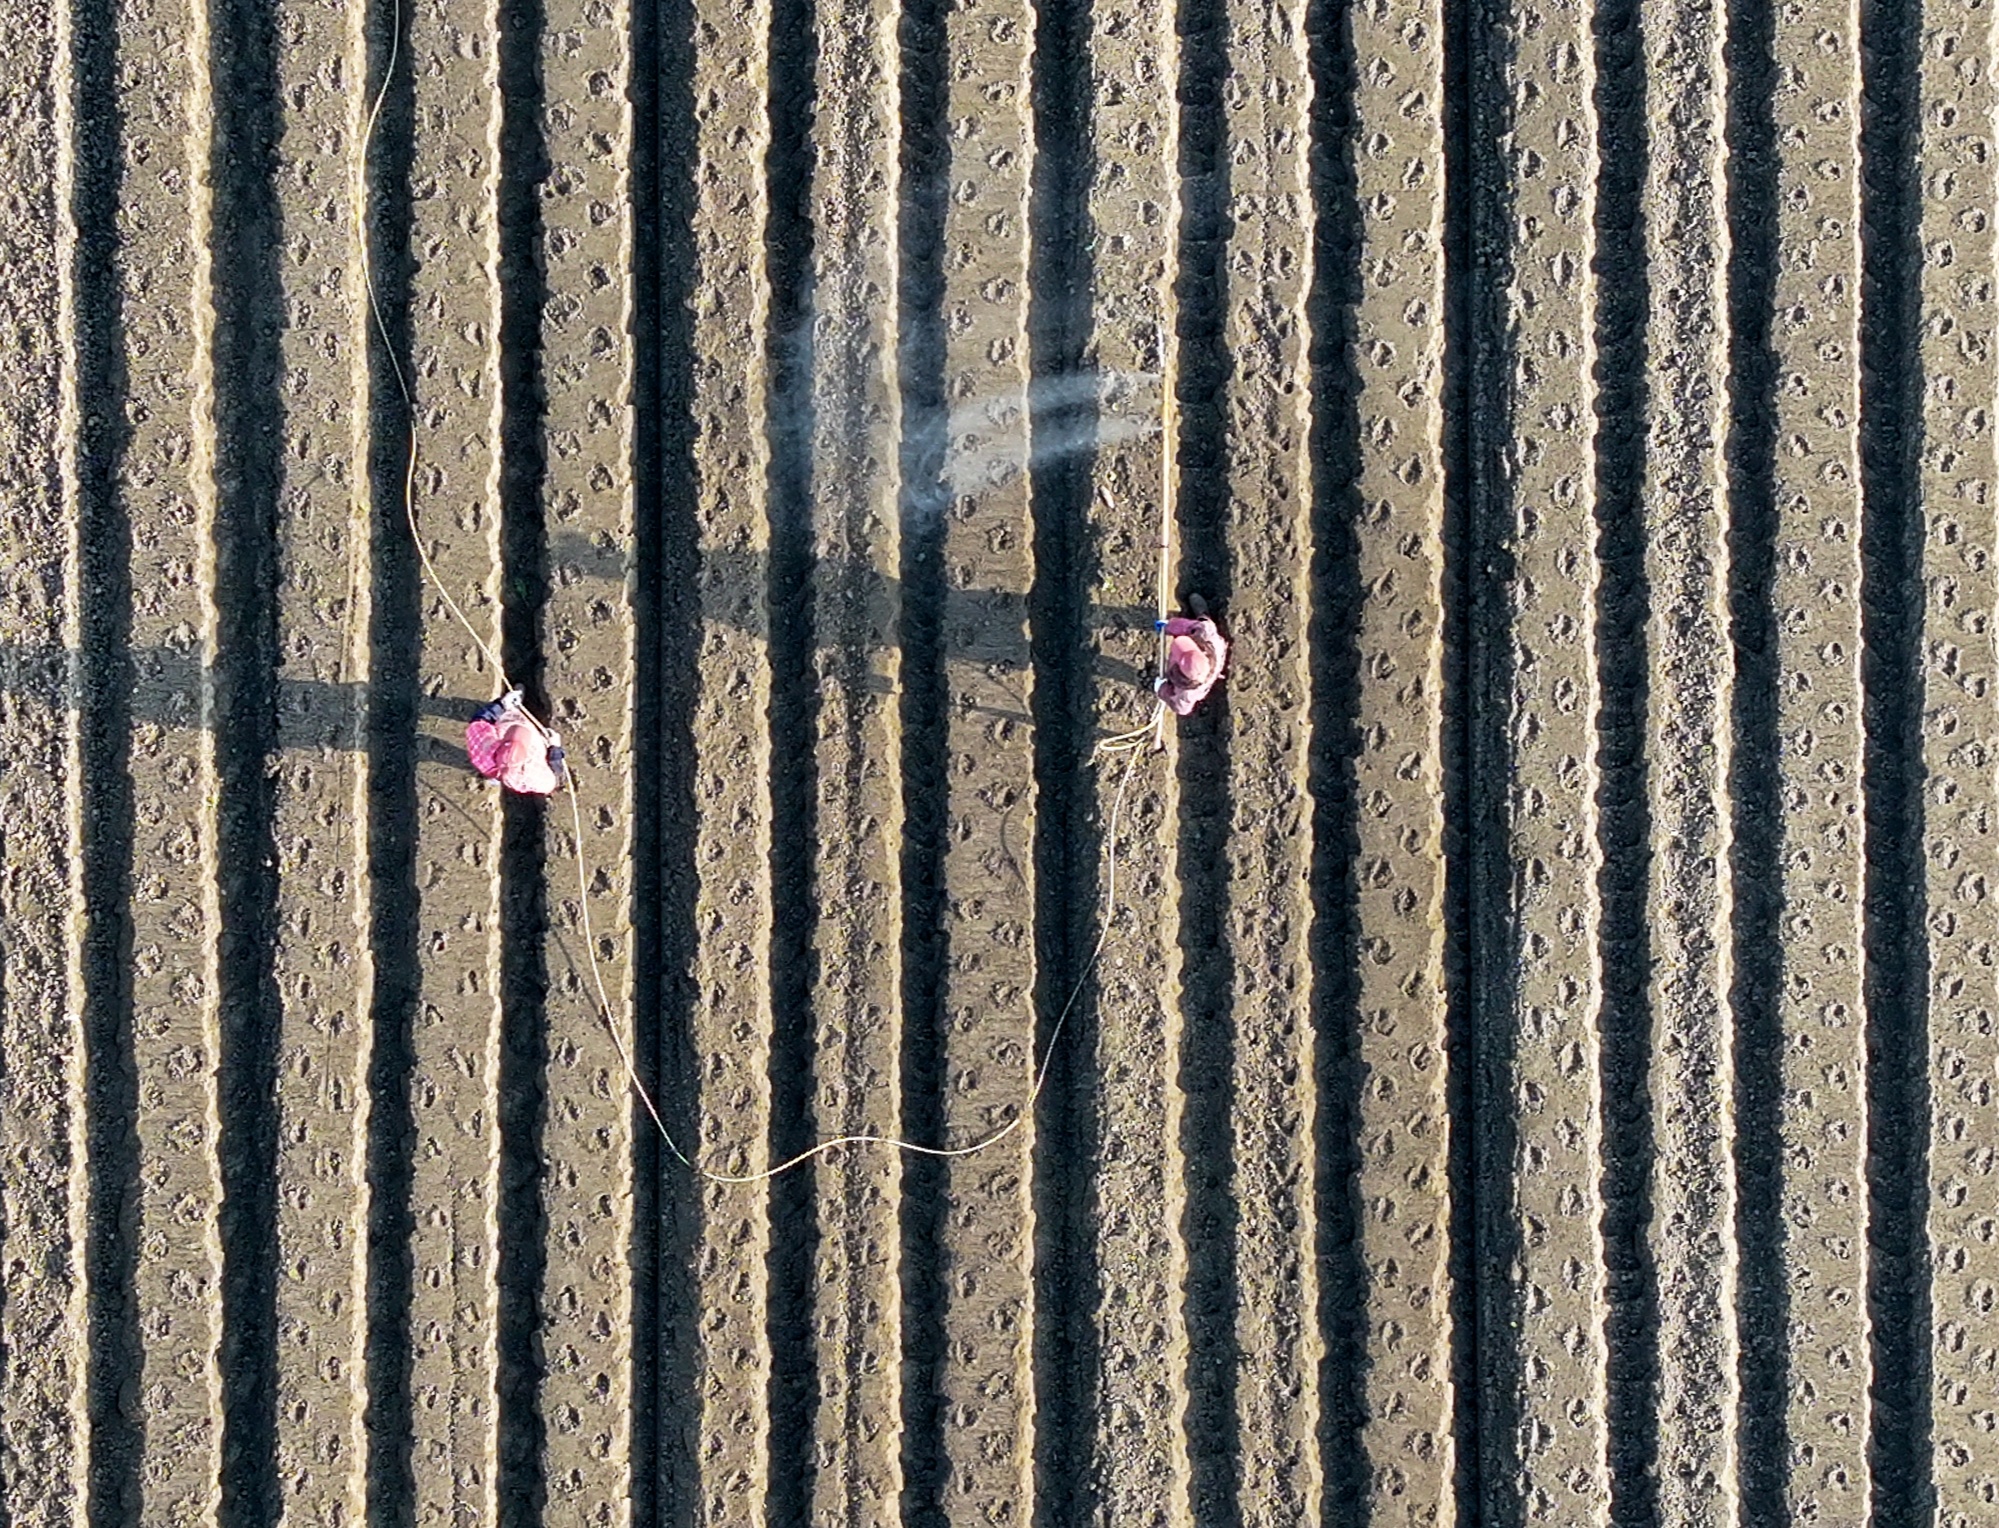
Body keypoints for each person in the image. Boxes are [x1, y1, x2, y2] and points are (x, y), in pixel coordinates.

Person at [466, 690, 566, 795]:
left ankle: (498, 778)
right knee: (518, 724)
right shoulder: (540, 777)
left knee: (505, 721)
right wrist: (554, 746)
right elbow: (556, 771)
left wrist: (501, 705)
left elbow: (479, 721)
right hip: (519, 778)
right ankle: (513, 709)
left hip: (494, 769)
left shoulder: (484, 749)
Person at [1155, 598, 1228, 716]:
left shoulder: (1187, 693)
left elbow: (1182, 709)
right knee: (1204, 623)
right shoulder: (1206, 634)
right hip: (1216, 655)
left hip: (1210, 674)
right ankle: (1203, 614)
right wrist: (1169, 626)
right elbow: (1188, 627)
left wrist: (1162, 689)